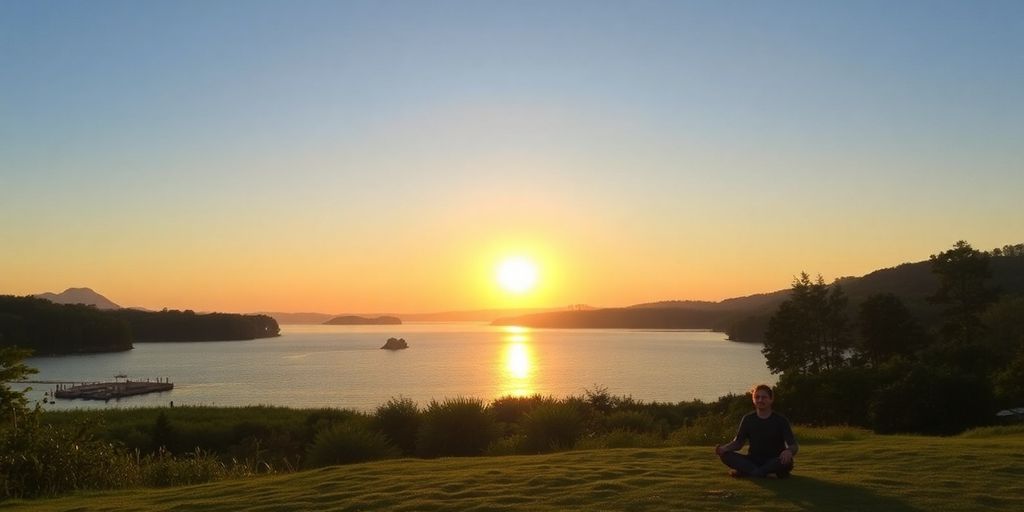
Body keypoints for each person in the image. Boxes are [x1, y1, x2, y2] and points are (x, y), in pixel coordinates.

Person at [714, 384, 799, 478]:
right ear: (753, 399)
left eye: (764, 397)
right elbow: (738, 443)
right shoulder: (748, 419)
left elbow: (793, 445)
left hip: (774, 460)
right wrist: (724, 449)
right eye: (757, 397)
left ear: (771, 399)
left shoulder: (781, 420)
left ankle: (751, 472)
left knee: (787, 461)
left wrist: (788, 451)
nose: (760, 400)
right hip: (753, 460)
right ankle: (761, 472)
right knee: (726, 456)